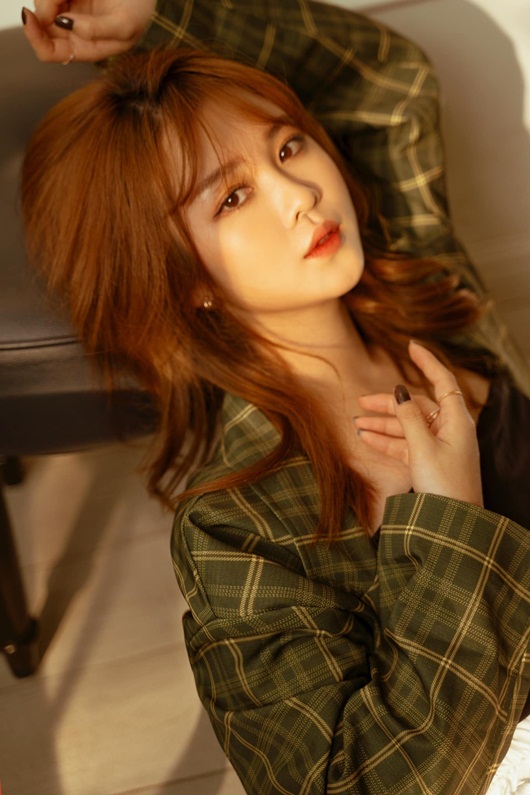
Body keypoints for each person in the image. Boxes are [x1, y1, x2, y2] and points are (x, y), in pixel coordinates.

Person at [21, 2, 530, 793]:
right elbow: (351, 782)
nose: (299, 193)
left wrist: (158, 15)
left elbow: (389, 83)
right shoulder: (236, 528)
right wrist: (447, 519)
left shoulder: (423, 286)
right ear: (181, 279)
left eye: (289, 145)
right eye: (231, 197)